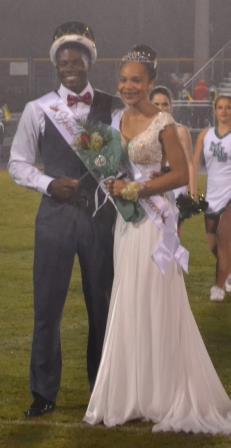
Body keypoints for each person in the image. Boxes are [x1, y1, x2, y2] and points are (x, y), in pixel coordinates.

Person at [83, 45, 231, 434]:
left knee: (154, 300)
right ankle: (131, 394)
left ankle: (163, 394)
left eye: (136, 80)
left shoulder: (163, 123)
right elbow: (111, 163)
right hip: (127, 225)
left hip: (153, 223)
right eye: (124, 80)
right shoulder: (117, 120)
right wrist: (110, 179)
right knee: (128, 299)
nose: (128, 86)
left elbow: (181, 175)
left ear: (149, 83)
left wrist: (136, 190)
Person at [8, 21, 122, 417]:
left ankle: (103, 388)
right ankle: (43, 392)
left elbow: (124, 164)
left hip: (100, 218)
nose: (69, 67)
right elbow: (18, 164)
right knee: (47, 307)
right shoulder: (37, 109)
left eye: (76, 61)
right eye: (63, 62)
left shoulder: (113, 105)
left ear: (89, 62)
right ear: (56, 65)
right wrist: (48, 182)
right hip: (54, 217)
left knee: (103, 305)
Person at [193, 95, 231, 301]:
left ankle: (218, 286)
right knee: (212, 243)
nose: (224, 111)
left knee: (225, 238)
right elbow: (194, 162)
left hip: (229, 197)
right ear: (215, 111)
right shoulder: (205, 135)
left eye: (228, 108)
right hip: (211, 196)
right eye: (220, 108)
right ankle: (229, 271)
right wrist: (192, 191)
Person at [150, 85, 194, 236]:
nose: (161, 108)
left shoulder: (181, 131)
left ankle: (175, 260)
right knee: (154, 234)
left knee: (174, 233)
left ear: (171, 106)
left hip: (176, 186)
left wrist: (192, 193)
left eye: (165, 104)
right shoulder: (144, 132)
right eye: (156, 104)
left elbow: (189, 163)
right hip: (153, 185)